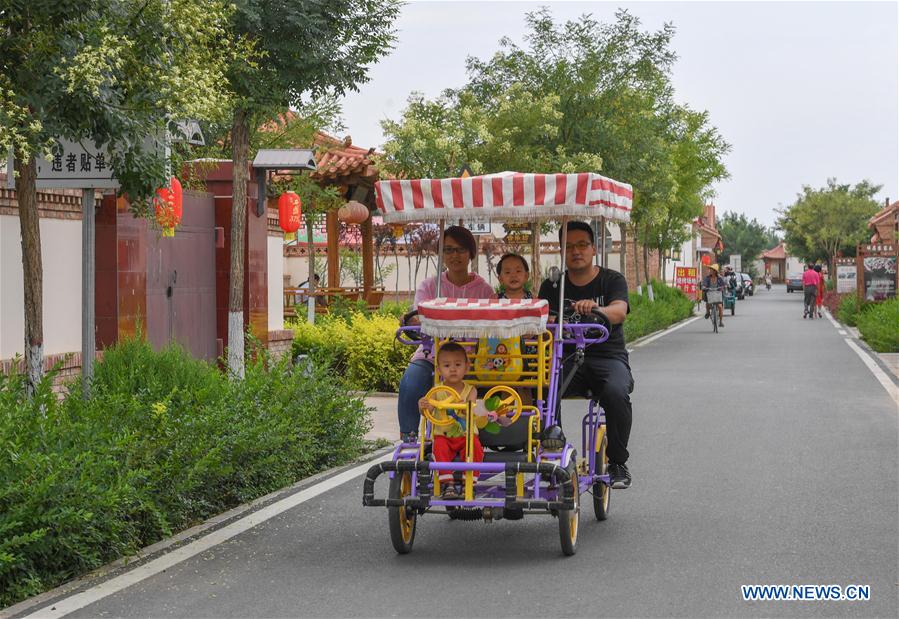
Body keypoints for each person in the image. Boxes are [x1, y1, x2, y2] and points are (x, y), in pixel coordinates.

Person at [537, 221, 634, 489]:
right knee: (541, 388)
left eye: (582, 245)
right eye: (569, 246)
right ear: (561, 250)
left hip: (608, 357)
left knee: (616, 393)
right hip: (566, 358)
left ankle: (617, 462)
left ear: (593, 248)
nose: (576, 251)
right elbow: (542, 318)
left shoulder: (612, 280)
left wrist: (596, 309)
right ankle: (552, 452)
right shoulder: (552, 286)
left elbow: (619, 311)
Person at [397, 226, 496, 443]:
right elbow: (419, 319)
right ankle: (409, 437)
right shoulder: (429, 286)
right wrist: (412, 321)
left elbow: (492, 328)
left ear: (471, 253)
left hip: (474, 358)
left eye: (461, 249)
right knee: (412, 380)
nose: (454, 255)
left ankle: (495, 434)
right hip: (434, 353)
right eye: (448, 250)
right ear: (441, 253)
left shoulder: (485, 291)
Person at [418, 342, 509, 499]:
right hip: (443, 436)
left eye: (458, 365)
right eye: (447, 365)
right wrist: (423, 405)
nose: (453, 369)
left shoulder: (470, 390)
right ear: (439, 370)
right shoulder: (436, 391)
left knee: (475, 448)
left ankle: (469, 482)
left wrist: (463, 406)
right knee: (438, 448)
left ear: (466, 367)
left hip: (467, 435)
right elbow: (428, 412)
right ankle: (448, 483)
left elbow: (470, 408)